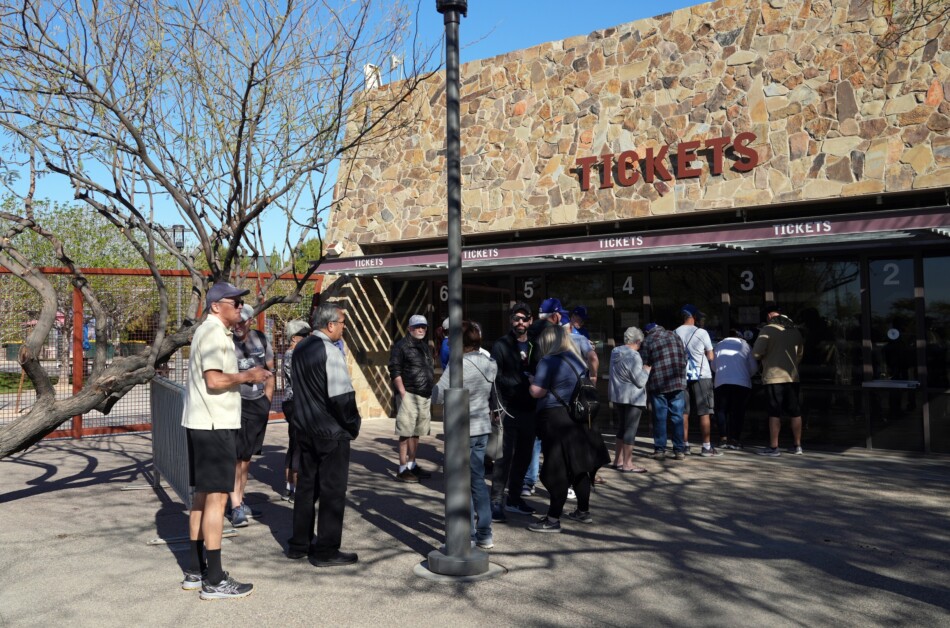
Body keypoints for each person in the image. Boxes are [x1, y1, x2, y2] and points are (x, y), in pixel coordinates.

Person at [181, 281, 272, 599]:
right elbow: (215, 379)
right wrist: (249, 376)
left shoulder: (213, 332)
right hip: (214, 425)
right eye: (234, 302)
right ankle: (215, 580)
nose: (239, 307)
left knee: (203, 498)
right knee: (217, 499)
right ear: (216, 306)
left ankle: (195, 571)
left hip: (206, 423)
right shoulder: (212, 333)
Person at [287, 302, 362, 566]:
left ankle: (299, 543)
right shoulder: (329, 351)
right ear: (330, 325)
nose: (344, 329)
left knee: (307, 487)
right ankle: (326, 550)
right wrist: (353, 424)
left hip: (306, 429)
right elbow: (341, 397)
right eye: (342, 324)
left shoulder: (301, 348)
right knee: (332, 491)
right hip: (330, 432)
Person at [527, 325, 610, 533]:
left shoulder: (548, 361)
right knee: (579, 467)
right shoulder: (576, 359)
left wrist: (530, 382)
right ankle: (583, 511)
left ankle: (553, 519)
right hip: (578, 418)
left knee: (555, 471)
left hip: (555, 420)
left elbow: (537, 392)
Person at [432, 321, 497, 549]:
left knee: (460, 482)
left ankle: (467, 534)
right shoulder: (490, 363)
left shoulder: (458, 365)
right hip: (482, 427)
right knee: (478, 481)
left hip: (462, 429)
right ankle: (485, 533)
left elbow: (438, 395)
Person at [228, 304, 275, 527]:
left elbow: (270, 371)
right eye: (236, 321)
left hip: (258, 406)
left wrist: (267, 400)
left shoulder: (260, 339)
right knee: (236, 458)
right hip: (237, 405)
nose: (238, 325)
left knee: (246, 459)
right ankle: (235, 505)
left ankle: (241, 499)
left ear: (250, 321)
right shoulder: (226, 343)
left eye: (243, 321)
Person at [489, 302, 536, 523]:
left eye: (524, 319)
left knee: (524, 456)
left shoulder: (535, 344)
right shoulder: (501, 345)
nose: (520, 322)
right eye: (516, 318)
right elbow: (495, 377)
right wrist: (496, 408)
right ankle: (496, 501)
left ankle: (514, 498)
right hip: (507, 408)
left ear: (530, 321)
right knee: (503, 458)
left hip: (530, 409)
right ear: (511, 320)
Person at [753, 304, 805, 456]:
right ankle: (797, 445)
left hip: (774, 376)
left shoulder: (768, 330)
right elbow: (800, 353)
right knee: (795, 411)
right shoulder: (795, 330)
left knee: (774, 412)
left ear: (770, 316)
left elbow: (756, 353)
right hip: (792, 376)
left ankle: (774, 447)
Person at [388, 314, 435, 482]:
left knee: (417, 433)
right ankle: (402, 468)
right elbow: (394, 369)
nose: (420, 329)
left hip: (423, 395)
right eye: (417, 327)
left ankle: (411, 465)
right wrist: (403, 392)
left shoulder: (424, 346)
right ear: (409, 328)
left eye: (423, 326)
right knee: (405, 432)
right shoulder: (401, 346)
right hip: (409, 394)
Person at [675, 304, 720, 457]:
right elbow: (711, 356)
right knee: (704, 412)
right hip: (702, 375)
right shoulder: (702, 332)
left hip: (682, 375)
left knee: (683, 412)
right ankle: (706, 447)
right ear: (693, 316)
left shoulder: (675, 332)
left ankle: (685, 445)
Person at [639, 322, 688, 461]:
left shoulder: (648, 340)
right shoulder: (674, 335)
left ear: (648, 332)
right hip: (678, 382)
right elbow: (684, 356)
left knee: (660, 418)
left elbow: (644, 361)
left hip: (658, 383)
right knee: (677, 416)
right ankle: (679, 450)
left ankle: (660, 450)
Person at [608, 327, 651, 473]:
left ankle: (618, 460)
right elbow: (640, 381)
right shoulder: (634, 356)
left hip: (618, 395)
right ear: (637, 341)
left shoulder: (615, 352)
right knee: (630, 429)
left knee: (621, 427)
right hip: (633, 397)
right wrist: (646, 369)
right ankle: (627, 464)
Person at [281, 319, 311, 503]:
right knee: (299, 446)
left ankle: (289, 487)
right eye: (305, 336)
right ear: (294, 338)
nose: (309, 338)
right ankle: (296, 490)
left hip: (293, 402)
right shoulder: (294, 355)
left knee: (294, 445)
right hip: (297, 403)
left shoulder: (295, 353)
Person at [713, 329, 758, 450]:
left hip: (721, 381)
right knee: (737, 412)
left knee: (721, 410)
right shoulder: (745, 345)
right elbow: (753, 367)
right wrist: (746, 375)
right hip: (741, 382)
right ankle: (734, 439)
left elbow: (713, 365)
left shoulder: (719, 345)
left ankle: (723, 438)